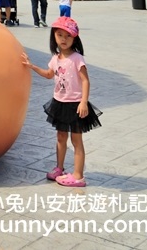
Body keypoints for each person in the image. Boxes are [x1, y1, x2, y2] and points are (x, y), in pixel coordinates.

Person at [21, 17, 102, 187]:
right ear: (54, 37)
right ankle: (59, 168)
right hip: (60, 103)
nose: (63, 39)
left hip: (75, 104)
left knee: (76, 140)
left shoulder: (77, 58)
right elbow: (50, 74)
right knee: (60, 137)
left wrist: (84, 102)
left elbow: (86, 81)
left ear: (75, 38)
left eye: (68, 36)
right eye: (60, 35)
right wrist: (32, 66)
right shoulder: (56, 58)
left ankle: (78, 176)